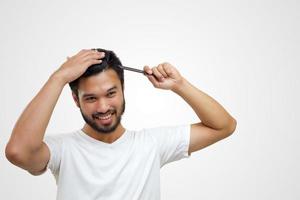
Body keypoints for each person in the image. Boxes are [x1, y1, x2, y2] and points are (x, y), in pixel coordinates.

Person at [5, 48, 237, 200]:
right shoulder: (63, 149)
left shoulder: (151, 145)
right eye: (91, 98)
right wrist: (58, 78)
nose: (103, 107)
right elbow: (18, 152)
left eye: (111, 93)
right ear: (76, 100)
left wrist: (180, 85)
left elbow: (223, 125)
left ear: (123, 90)